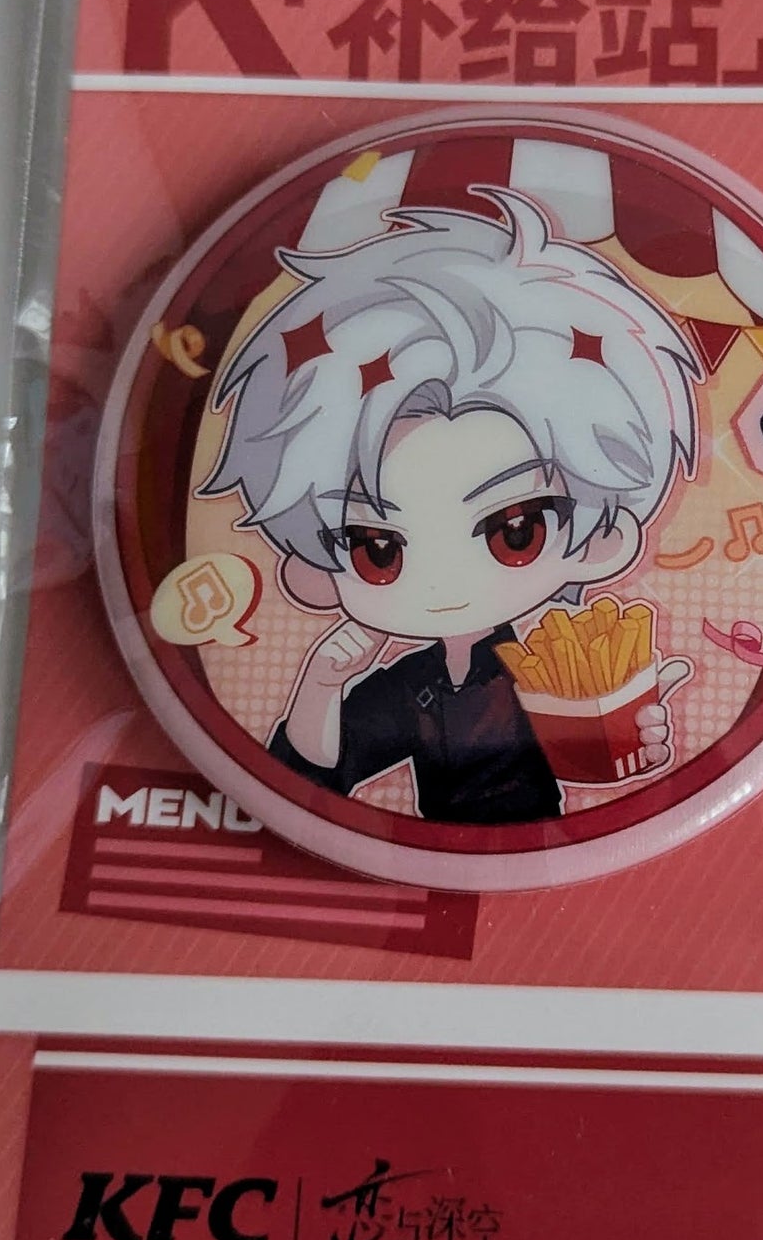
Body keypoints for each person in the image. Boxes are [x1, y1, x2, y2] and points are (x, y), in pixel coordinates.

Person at [203, 185, 701, 822]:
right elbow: (315, 774)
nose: (442, 582)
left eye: (514, 531)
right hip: (423, 849)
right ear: (315, 569)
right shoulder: (411, 685)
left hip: (540, 839)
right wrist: (321, 683)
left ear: (602, 540)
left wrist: (631, 735)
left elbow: (593, 755)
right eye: (378, 549)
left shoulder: (551, 670)